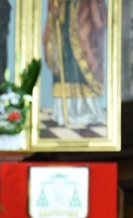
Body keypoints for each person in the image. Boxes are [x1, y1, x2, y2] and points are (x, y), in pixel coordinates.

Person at [42, 0, 106, 128]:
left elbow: (99, 18)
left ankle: (86, 110)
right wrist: (54, 12)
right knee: (64, 65)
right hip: (63, 25)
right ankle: (63, 111)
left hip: (82, 23)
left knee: (81, 68)